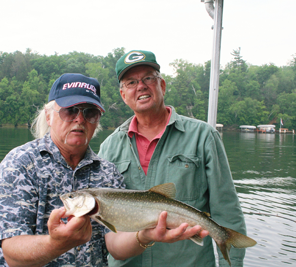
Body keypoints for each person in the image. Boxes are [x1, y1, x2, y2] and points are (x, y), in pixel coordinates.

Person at [0, 73, 207, 267]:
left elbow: (115, 246)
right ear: (49, 115)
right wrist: (55, 244)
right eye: (70, 111)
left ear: (97, 120)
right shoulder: (20, 164)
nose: (79, 119)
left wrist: (146, 235)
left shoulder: (107, 172)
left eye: (89, 113)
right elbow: (12, 254)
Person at [98, 50, 248, 267]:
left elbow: (227, 211)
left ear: (162, 85)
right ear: (123, 95)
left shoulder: (203, 136)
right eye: (131, 82)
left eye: (148, 78)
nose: (141, 86)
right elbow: (104, 230)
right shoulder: (108, 148)